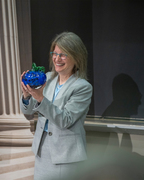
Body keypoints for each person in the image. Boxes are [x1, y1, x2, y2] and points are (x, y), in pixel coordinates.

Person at [20, 32, 93, 180]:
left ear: (76, 57)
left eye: (63, 55)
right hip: (42, 149)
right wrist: (27, 96)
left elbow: (65, 120)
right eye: (55, 53)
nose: (57, 59)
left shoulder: (82, 87)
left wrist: (40, 98)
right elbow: (28, 113)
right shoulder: (47, 78)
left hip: (65, 155)